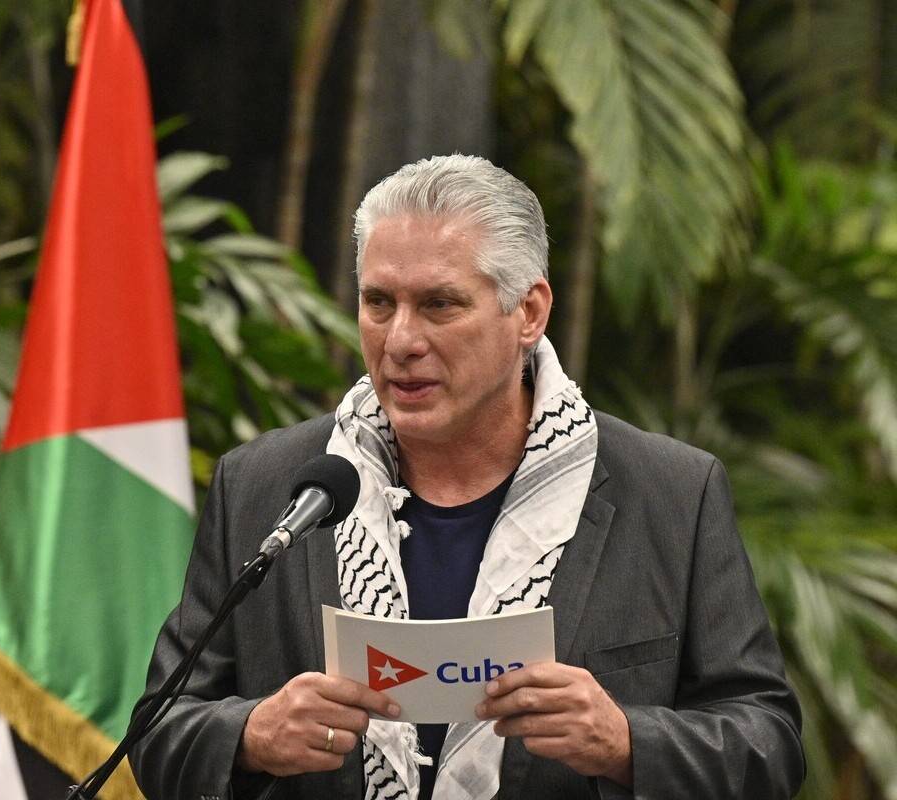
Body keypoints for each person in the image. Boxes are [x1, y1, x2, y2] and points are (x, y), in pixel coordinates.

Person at [129, 155, 804, 799]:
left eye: (440, 305)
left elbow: (768, 742)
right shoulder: (271, 486)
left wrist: (626, 741)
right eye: (378, 302)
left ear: (529, 313)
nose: (400, 341)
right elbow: (158, 729)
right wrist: (249, 737)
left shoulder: (670, 494)